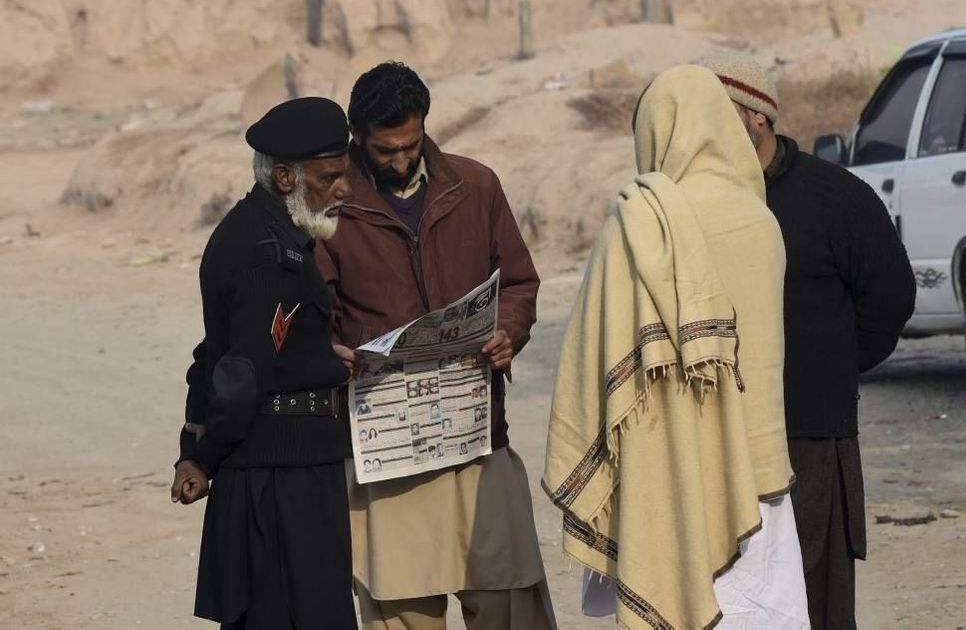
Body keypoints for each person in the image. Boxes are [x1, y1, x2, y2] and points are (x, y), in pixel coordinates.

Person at [544, 66, 810, 629]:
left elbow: (594, 360)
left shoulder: (637, 223)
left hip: (662, 473)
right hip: (759, 477)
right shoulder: (762, 223)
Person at [318, 61, 555, 630]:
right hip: (387, 448)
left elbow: (519, 283)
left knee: (508, 597)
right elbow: (314, 315)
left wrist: (508, 332)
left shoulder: (475, 185)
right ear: (358, 138)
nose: (401, 160)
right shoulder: (330, 207)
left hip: (476, 433)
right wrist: (332, 355)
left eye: (411, 144)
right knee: (401, 608)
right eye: (384, 150)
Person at [705, 53, 917, 629]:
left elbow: (890, 297)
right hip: (716, 435)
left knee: (813, 592)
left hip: (811, 436)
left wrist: (831, 366)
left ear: (756, 118)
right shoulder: (693, 203)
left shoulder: (834, 196)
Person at [168, 97, 358, 629]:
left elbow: (228, 350)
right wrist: (203, 457)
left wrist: (319, 358)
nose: (343, 189)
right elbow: (236, 378)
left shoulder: (275, 233)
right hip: (278, 481)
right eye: (330, 178)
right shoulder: (264, 251)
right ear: (284, 176)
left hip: (290, 469)